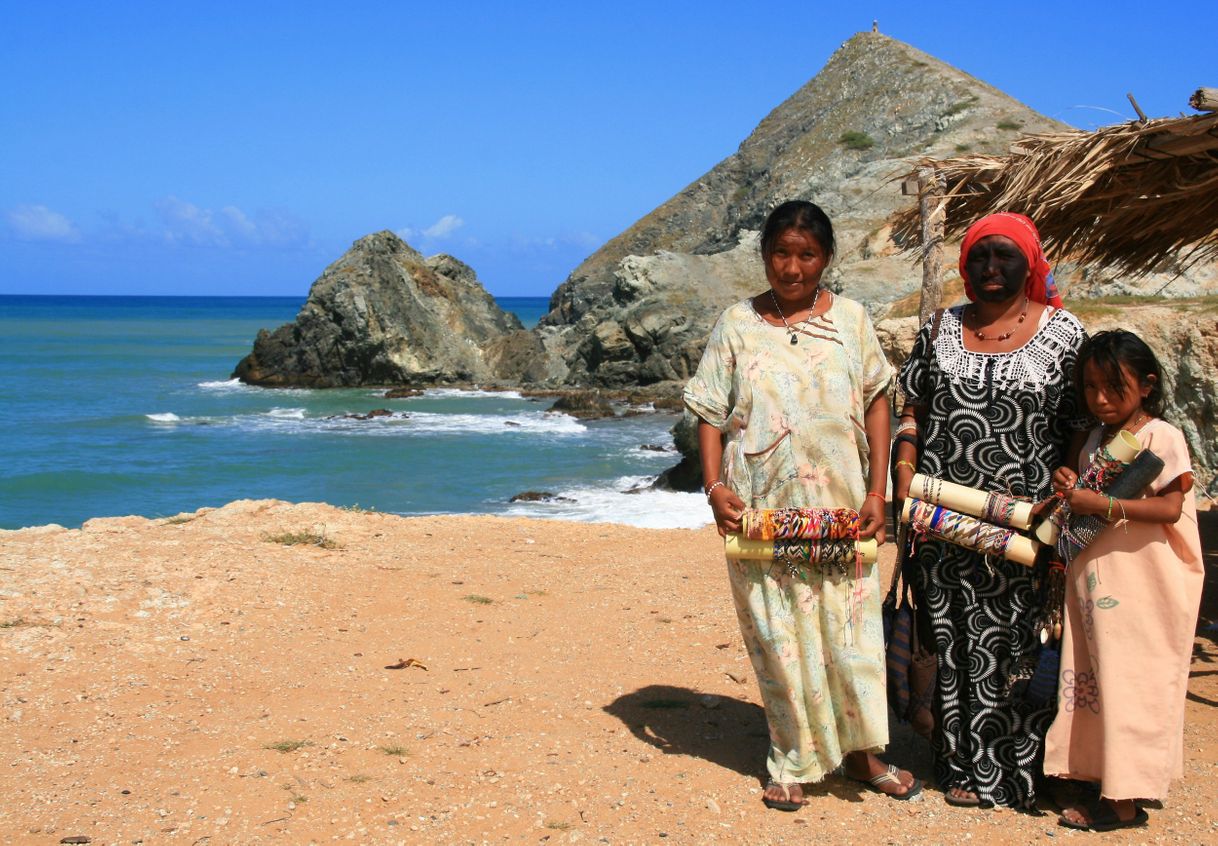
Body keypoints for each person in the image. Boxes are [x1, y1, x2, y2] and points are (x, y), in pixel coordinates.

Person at [684, 200, 919, 811]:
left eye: (806, 254)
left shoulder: (853, 321)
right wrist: (714, 488)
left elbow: (876, 400)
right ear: (764, 256)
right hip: (761, 511)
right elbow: (709, 411)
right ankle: (791, 758)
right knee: (778, 629)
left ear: (826, 258)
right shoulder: (736, 323)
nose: (792, 268)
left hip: (843, 506)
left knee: (853, 632)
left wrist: (879, 492)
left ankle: (865, 754)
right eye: (781, 254)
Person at [892, 212, 1089, 810]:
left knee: (1016, 646)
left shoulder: (1064, 336)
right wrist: (904, 470)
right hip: (943, 522)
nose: (991, 269)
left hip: (1027, 526)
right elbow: (913, 411)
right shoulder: (939, 331)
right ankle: (959, 766)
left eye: (1005, 257)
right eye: (979, 257)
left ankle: (1016, 772)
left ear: (1031, 263)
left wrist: (1069, 478)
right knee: (951, 642)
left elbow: (1082, 427)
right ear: (964, 265)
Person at [1043, 330, 1203, 832]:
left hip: (1144, 587)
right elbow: (1086, 499)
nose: (1101, 399)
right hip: (1099, 585)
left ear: (1148, 385)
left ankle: (1125, 801)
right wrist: (1072, 485)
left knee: (1134, 685)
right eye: (1091, 389)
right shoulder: (1095, 440)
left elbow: (1171, 507)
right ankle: (1106, 778)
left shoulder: (1161, 437)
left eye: (1114, 387)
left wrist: (1104, 504)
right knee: (1099, 684)